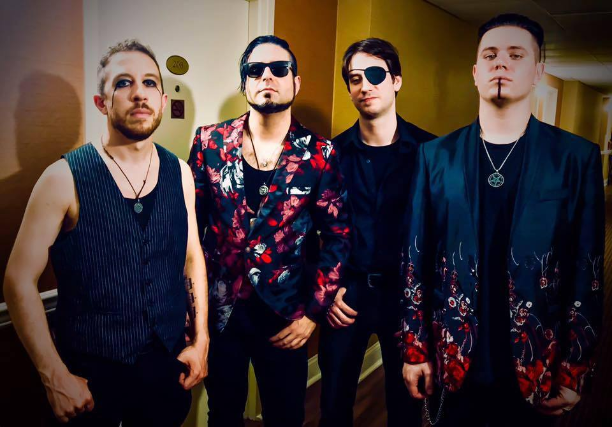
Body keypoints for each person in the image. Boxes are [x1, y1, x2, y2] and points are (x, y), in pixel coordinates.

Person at [400, 14, 604, 427]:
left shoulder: (575, 158)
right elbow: (414, 259)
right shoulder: (435, 156)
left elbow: (588, 273)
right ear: (476, 73)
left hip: (536, 360)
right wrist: (415, 349)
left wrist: (574, 369)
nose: (501, 64)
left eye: (516, 55)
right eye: (490, 55)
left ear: (537, 72)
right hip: (454, 355)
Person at [3, 40, 208, 426]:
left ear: (163, 101)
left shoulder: (180, 172)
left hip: (166, 370)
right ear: (102, 103)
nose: (139, 93)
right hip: (91, 379)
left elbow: (192, 256)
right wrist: (54, 376)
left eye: (149, 83)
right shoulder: (63, 177)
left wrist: (201, 341)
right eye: (123, 83)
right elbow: (18, 280)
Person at [188, 35, 350, 427]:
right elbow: (188, 228)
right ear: (244, 82)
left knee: (285, 415)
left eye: (279, 69)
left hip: (286, 313)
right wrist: (191, 310)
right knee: (222, 413)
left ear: (296, 82)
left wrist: (313, 313)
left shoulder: (320, 153)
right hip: (220, 312)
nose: (267, 77)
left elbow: (338, 237)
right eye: (255, 70)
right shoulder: (208, 142)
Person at [318, 38, 435, 427]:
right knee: (333, 403)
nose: (365, 85)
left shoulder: (431, 153)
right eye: (355, 79)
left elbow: (444, 233)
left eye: (375, 75)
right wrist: (326, 290)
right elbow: (309, 229)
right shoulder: (331, 156)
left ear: (396, 80)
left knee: (404, 407)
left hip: (407, 297)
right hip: (347, 295)